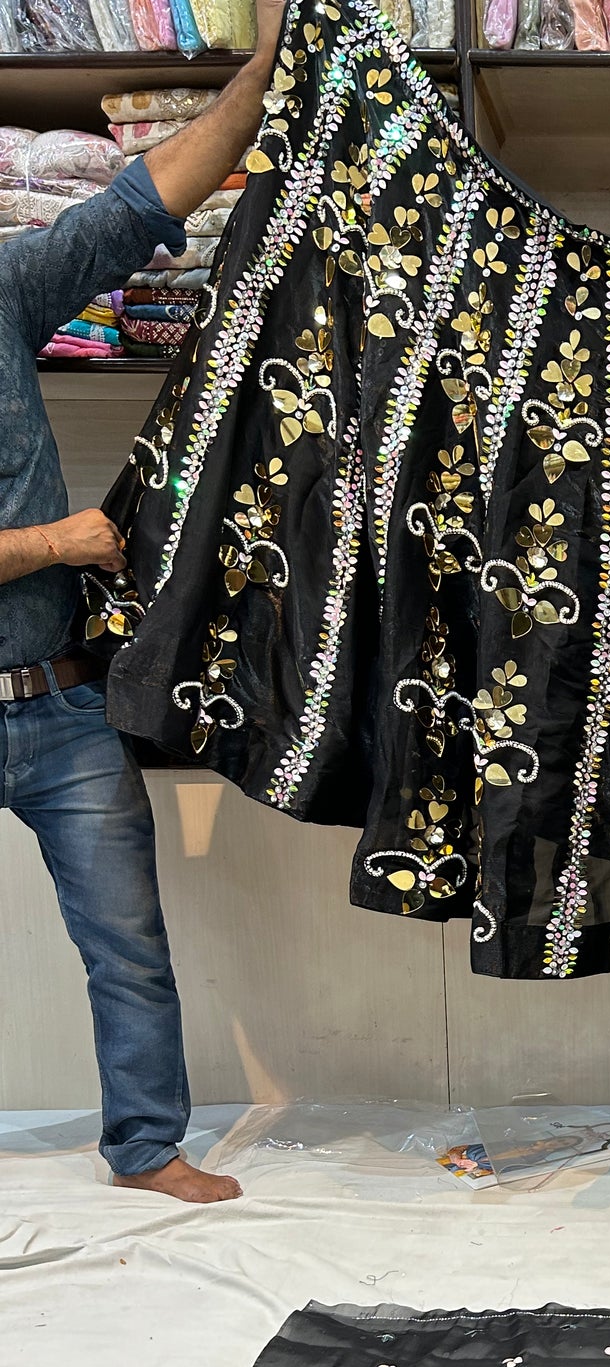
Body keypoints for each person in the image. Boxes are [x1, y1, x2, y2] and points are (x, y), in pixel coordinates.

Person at [0, 2, 284, 1202]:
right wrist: (52, 542)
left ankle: (147, 1149)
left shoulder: (3, 289)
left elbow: (136, 203)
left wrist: (259, 75)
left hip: (57, 704)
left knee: (125, 942)